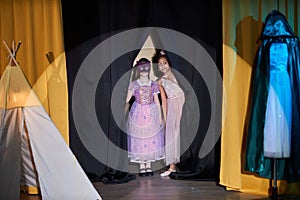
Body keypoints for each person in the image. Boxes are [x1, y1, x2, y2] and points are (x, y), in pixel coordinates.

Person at [126, 58, 165, 177]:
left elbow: (157, 101)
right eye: (141, 68)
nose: (143, 71)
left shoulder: (153, 84)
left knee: (150, 137)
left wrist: (160, 116)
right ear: (138, 69)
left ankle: (148, 164)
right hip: (138, 112)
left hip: (150, 113)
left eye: (146, 68)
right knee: (140, 137)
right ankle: (141, 165)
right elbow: (127, 99)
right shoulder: (134, 84)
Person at [152, 50, 185, 177]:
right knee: (172, 133)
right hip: (172, 105)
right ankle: (172, 166)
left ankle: (179, 163)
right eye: (159, 64)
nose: (162, 66)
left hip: (182, 103)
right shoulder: (160, 81)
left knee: (180, 132)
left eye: (165, 63)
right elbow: (164, 100)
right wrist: (165, 116)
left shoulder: (178, 74)